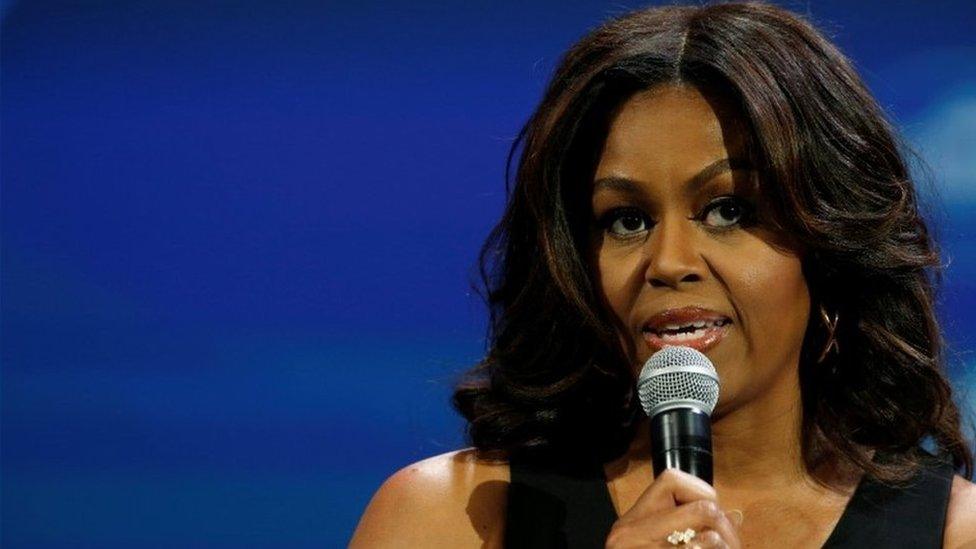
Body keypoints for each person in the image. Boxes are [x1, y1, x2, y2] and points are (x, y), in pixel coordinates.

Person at [350, 2, 976, 547]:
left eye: (729, 210)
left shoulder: (955, 531)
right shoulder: (451, 518)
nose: (670, 262)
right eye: (625, 220)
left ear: (829, 246)